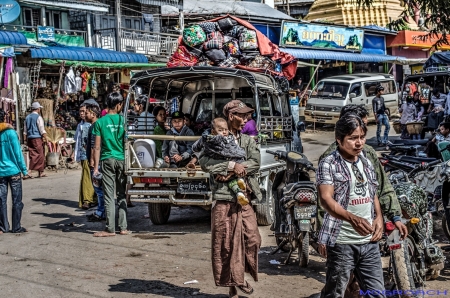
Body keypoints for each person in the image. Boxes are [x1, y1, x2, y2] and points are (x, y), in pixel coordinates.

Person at [317, 105, 406, 298]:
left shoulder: (365, 159)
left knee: (377, 294)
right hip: (342, 243)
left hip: (369, 243)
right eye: (352, 138)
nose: (359, 143)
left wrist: (380, 217)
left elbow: (374, 189)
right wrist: (351, 220)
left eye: (362, 137)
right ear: (339, 140)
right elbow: (325, 199)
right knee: (337, 293)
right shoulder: (328, 163)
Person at [199, 100, 261, 298]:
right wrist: (230, 166)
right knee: (226, 245)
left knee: (253, 239)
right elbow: (204, 162)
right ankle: (234, 285)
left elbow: (255, 162)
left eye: (246, 116)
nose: (245, 120)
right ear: (231, 117)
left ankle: (239, 276)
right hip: (224, 198)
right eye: (241, 116)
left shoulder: (248, 141)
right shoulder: (214, 141)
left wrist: (233, 171)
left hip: (243, 198)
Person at [92, 92, 130, 237]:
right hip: (122, 159)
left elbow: (97, 147)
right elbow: (127, 142)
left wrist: (95, 167)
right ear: (119, 104)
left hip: (107, 160)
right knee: (121, 194)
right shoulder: (123, 120)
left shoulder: (100, 122)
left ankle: (110, 229)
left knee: (108, 195)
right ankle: (123, 227)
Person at [190, 117, 249, 205]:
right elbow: (205, 163)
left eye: (226, 130)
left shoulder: (240, 139)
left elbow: (253, 163)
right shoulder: (209, 141)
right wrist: (232, 166)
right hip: (220, 190)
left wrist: (231, 171)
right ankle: (240, 184)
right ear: (213, 131)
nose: (224, 132)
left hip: (230, 169)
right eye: (221, 130)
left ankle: (239, 189)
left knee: (236, 173)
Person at [0, 110, 28, 233]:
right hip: (14, 172)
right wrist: (24, 170)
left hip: (0, 173)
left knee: (1, 200)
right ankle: (16, 227)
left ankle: (3, 227)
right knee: (17, 200)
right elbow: (17, 153)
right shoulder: (11, 133)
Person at [84, 104, 106, 222]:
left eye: (87, 112)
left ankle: (101, 212)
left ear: (93, 114)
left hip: (96, 162)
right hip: (98, 161)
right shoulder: (96, 125)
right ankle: (101, 211)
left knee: (98, 188)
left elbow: (94, 146)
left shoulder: (95, 126)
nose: (85, 115)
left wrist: (93, 161)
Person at [75, 102, 97, 210]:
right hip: (84, 154)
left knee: (91, 177)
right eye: (81, 111)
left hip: (91, 155)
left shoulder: (92, 125)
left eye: (85, 111)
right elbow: (78, 141)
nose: (83, 114)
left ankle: (90, 199)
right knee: (86, 177)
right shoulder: (81, 125)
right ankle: (87, 199)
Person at [23, 102, 47, 178]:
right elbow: (41, 129)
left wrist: (25, 140)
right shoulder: (38, 117)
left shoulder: (27, 118)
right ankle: (29, 171)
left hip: (29, 138)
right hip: (37, 138)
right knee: (39, 155)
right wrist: (46, 138)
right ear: (38, 109)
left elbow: (25, 130)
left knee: (33, 154)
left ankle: (41, 172)